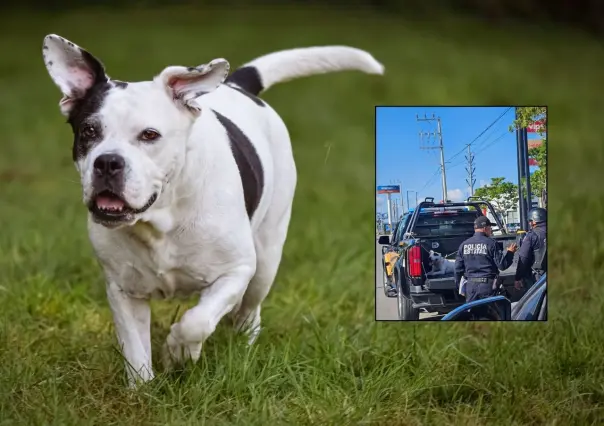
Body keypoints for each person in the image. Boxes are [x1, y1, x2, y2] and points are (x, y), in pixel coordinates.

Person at [455, 216, 518, 302]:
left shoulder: (464, 245)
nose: (491, 230)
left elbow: (458, 269)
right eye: (490, 228)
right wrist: (510, 253)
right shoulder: (491, 243)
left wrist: (460, 286)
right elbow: (502, 265)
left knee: (473, 314)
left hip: (470, 286)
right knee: (491, 313)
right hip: (487, 286)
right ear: (485, 228)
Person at [514, 207, 547, 291]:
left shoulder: (532, 235)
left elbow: (523, 258)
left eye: (530, 221)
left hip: (539, 278)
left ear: (534, 221)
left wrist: (518, 277)